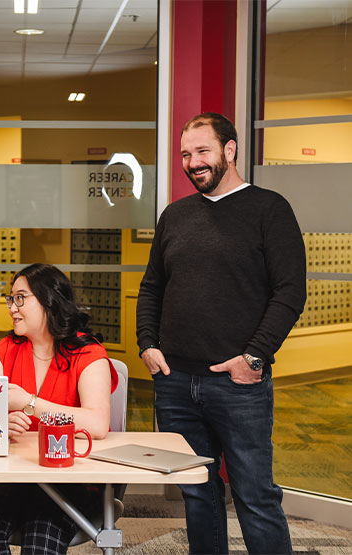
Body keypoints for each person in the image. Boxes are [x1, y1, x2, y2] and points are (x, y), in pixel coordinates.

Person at [136, 112, 306, 554]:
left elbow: (290, 292)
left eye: (202, 151)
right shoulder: (175, 215)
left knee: (255, 497)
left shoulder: (270, 209)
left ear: (229, 150)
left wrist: (254, 357)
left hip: (238, 384)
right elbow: (152, 286)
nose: (193, 162)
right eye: (186, 154)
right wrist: (148, 345)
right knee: (198, 493)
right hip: (175, 382)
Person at [0, 263, 119, 555]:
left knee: (42, 539)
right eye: (11, 299)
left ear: (49, 301)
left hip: (64, 478)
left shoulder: (88, 353)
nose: (12, 307)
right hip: (6, 474)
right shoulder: (4, 350)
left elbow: (97, 424)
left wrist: (28, 403)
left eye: (20, 298)